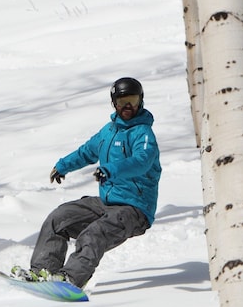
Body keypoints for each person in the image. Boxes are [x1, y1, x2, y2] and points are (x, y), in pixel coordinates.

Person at [12, 77, 162, 288]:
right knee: (59, 217)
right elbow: (87, 152)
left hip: (135, 209)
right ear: (114, 103)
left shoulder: (144, 134)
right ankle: (44, 271)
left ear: (141, 101)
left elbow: (142, 161)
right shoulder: (108, 132)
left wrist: (111, 170)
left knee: (94, 233)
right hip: (107, 202)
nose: (128, 107)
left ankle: (71, 280)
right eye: (122, 102)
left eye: (133, 100)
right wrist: (64, 165)